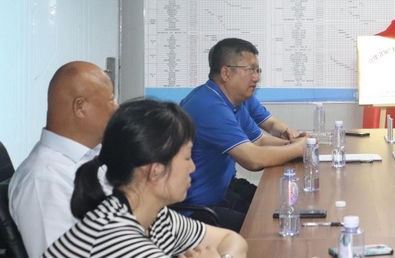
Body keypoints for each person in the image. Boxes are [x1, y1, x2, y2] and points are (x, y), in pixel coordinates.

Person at [43, 99, 247, 258]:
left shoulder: (157, 218)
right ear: (155, 170)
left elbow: (233, 240)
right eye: (187, 157)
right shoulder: (119, 242)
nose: (192, 167)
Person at [180, 38, 305, 231]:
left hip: (223, 190)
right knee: (266, 229)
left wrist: (298, 144)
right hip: (195, 210)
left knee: (280, 207)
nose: (256, 78)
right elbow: (253, 159)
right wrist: (299, 148)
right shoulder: (210, 107)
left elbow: (259, 141)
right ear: (226, 73)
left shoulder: (236, 98)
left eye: (258, 70)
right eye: (250, 70)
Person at [9, 61, 118, 258]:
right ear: (80, 107)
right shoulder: (44, 180)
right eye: (111, 100)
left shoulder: (91, 158)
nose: (117, 109)